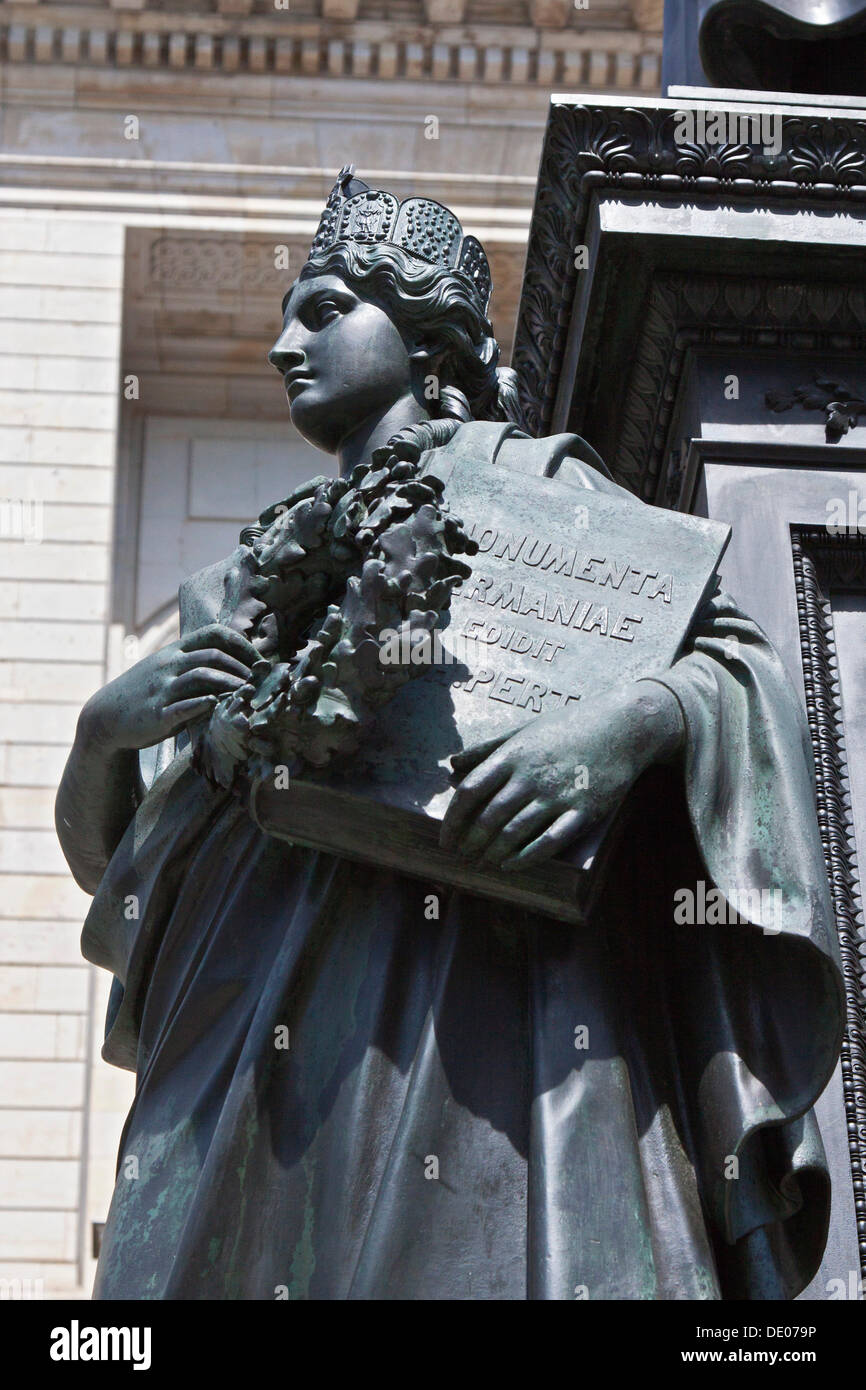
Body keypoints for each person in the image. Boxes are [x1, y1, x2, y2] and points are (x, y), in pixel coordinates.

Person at [57, 169, 844, 1300]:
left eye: (324, 309)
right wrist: (101, 734)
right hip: (253, 1052)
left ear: (428, 338)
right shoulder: (235, 590)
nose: (285, 342)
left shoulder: (538, 484)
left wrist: (619, 731)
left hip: (482, 1006)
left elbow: (733, 665)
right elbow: (132, 894)